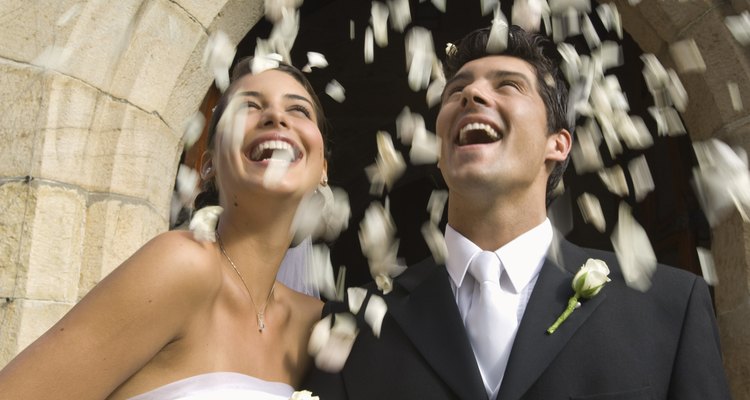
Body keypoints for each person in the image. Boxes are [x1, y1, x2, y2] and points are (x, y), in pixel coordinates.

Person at [303, 26, 731, 399]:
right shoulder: (351, 324)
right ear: (440, 153)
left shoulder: (669, 306)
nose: (471, 93)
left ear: (558, 144)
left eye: (507, 85)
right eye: (457, 90)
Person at [0, 58, 330, 399]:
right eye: (248, 106)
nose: (276, 117)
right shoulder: (183, 263)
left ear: (323, 168)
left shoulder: (318, 327)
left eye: (299, 111)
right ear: (209, 164)